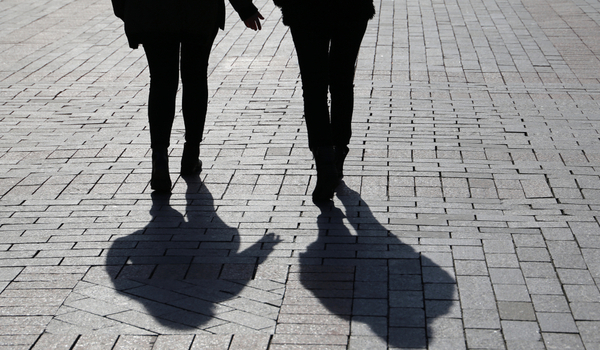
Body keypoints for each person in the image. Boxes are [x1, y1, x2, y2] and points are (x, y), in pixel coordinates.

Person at [111, 0, 263, 192]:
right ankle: (191, 153)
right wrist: (244, 8)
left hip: (153, 11)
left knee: (161, 81)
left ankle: (160, 158)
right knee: (195, 77)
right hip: (199, 10)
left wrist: (126, 8)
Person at [273, 0, 375, 203]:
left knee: (313, 87)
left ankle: (325, 161)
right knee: (342, 82)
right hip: (351, 9)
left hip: (306, 9)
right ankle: (338, 152)